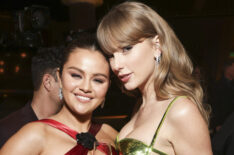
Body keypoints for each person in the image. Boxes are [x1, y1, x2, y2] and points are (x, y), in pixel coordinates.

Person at [97, 1, 212, 155]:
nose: (116, 65)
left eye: (126, 48)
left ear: (157, 46)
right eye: (111, 55)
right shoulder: (140, 106)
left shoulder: (181, 111)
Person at [0, 32, 118, 155]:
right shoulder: (35, 135)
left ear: (108, 86)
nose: (86, 87)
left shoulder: (111, 135)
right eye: (76, 75)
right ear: (59, 78)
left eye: (98, 80)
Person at [0, 47, 63, 148]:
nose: (74, 85)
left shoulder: (70, 128)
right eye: (70, 77)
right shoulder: (8, 130)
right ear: (48, 82)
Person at [209, 58, 234, 132]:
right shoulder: (217, 86)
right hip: (222, 127)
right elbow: (214, 107)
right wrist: (216, 125)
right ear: (228, 68)